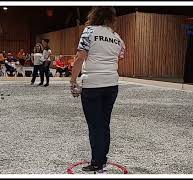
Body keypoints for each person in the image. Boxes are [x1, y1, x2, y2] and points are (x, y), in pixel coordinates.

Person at [70, 7, 126, 173]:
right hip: (112, 84)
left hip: (93, 84)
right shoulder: (117, 38)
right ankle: (103, 158)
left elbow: (80, 57)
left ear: (94, 16)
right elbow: (120, 56)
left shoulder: (89, 31)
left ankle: (96, 162)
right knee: (104, 123)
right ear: (111, 19)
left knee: (94, 125)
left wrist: (73, 80)